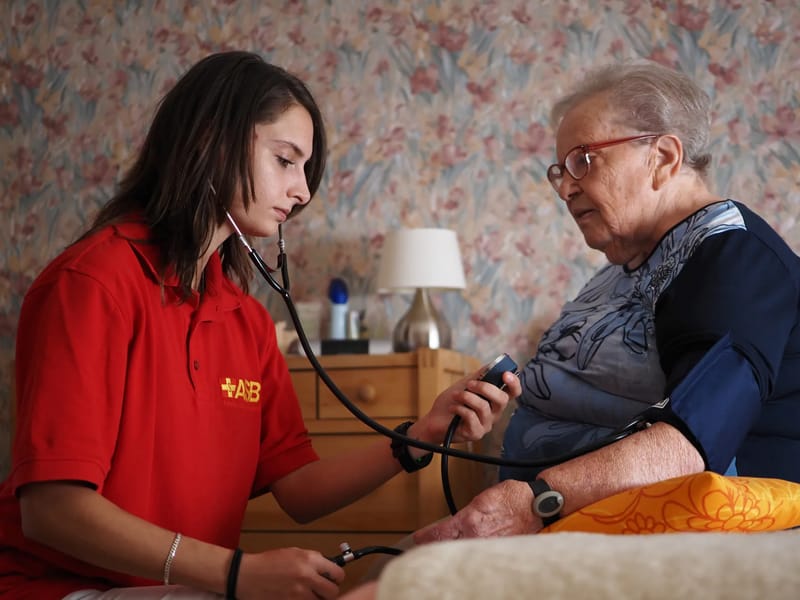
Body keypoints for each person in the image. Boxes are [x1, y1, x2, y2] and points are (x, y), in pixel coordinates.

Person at [0, 51, 519, 600]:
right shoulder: (93, 284)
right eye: (285, 160)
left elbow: (298, 489)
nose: (303, 193)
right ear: (210, 141)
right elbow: (52, 509)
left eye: (304, 168)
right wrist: (234, 574)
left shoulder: (244, 319)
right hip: (57, 588)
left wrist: (419, 437)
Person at [411, 58, 800, 545]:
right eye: (559, 171)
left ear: (663, 157)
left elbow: (691, 440)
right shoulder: (628, 265)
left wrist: (532, 501)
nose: (566, 188)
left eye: (583, 160)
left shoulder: (733, 258)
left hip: (676, 532)